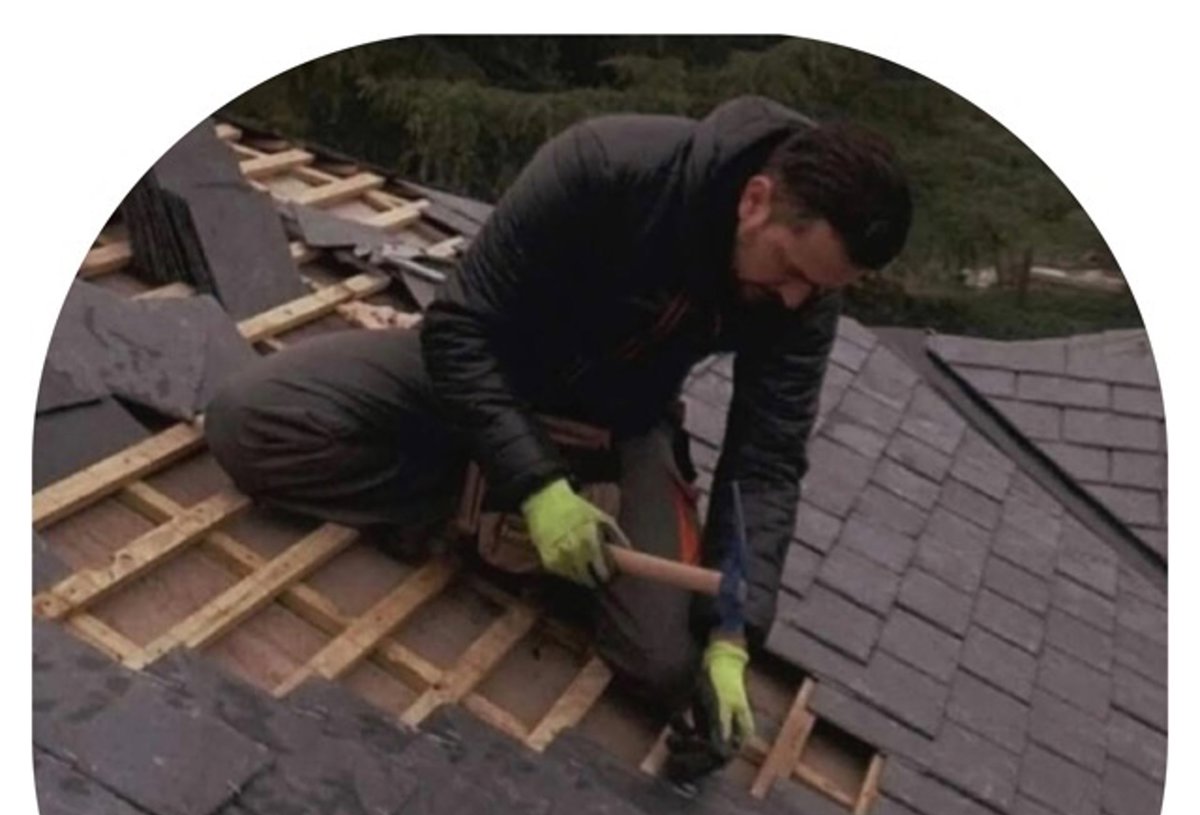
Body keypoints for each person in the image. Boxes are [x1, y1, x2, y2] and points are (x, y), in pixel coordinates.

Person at [205, 95, 912, 780]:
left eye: (819, 289)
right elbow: (458, 330)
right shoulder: (607, 167)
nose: (795, 299)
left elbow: (765, 461)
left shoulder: (804, 295)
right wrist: (538, 488)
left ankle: (496, 508)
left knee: (668, 666)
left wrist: (733, 633)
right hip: (489, 381)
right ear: (755, 201)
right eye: (791, 271)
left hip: (619, 426)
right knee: (253, 422)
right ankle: (495, 506)